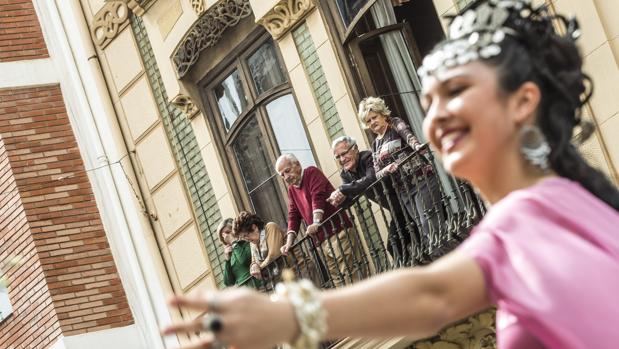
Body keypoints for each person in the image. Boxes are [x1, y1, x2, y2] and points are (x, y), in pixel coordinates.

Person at [161, 1, 619, 348]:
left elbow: (429, 295)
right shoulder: (571, 203)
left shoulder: (530, 214)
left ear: (521, 102)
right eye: (430, 101)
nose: (435, 117)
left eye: (456, 91)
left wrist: (289, 317)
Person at [359, 96, 445, 262]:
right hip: (403, 190)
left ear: (382, 114)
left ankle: (442, 255)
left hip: (421, 179)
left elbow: (408, 135)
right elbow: (377, 172)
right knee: (421, 224)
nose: (373, 122)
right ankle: (439, 258)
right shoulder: (375, 144)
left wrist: (417, 146)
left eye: (374, 117)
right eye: (368, 121)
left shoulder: (394, 123)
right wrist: (386, 169)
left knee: (429, 220)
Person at [276, 153, 365, 287]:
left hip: (338, 232)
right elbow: (293, 216)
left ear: (297, 165)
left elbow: (317, 197)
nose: (286, 177)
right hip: (321, 242)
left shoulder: (311, 172)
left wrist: (316, 222)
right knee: (338, 280)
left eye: (287, 171)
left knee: (351, 274)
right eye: (282, 175)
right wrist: (288, 243)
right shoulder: (291, 191)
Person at [327, 135, 410, 264]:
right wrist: (338, 200)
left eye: (344, 153)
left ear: (355, 149)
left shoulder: (367, 157)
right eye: (338, 157)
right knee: (394, 246)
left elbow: (371, 179)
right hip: (397, 210)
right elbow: (350, 200)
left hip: (407, 202)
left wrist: (343, 189)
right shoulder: (345, 174)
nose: (342, 159)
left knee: (403, 242)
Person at [232, 211, 285, 280]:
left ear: (254, 227)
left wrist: (259, 268)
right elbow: (254, 261)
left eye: (246, 235)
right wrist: (253, 266)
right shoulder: (252, 243)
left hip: (296, 269)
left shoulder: (270, 227)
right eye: (243, 238)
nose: (246, 239)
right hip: (280, 279)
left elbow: (274, 254)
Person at [217, 218, 258, 288]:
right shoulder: (230, 253)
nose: (226, 236)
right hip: (244, 293)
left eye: (228, 232)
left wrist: (233, 242)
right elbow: (228, 282)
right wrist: (227, 260)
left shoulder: (247, 241)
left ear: (234, 230)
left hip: (258, 287)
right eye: (223, 235)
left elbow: (245, 260)